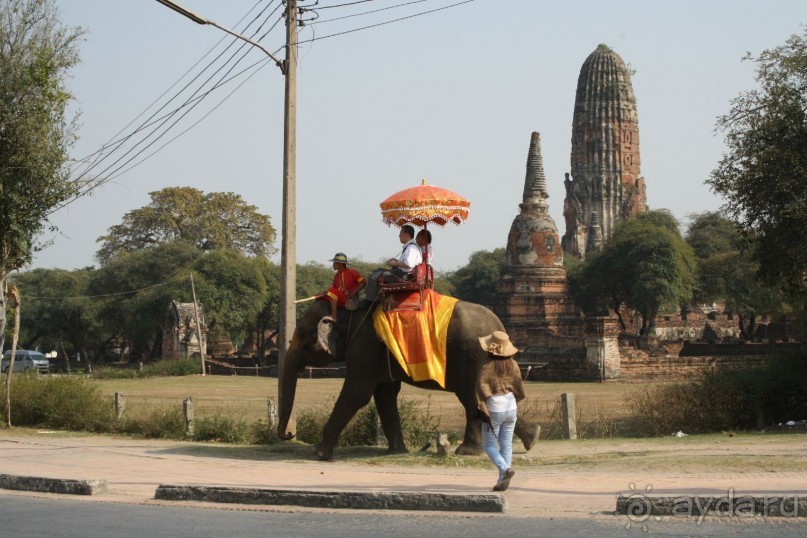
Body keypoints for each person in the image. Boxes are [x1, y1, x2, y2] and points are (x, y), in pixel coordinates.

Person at [476, 330, 525, 492]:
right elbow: (519, 386)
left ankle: (505, 470)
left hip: (495, 409)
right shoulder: (514, 364)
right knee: (506, 445)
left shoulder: (486, 366)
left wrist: (482, 405)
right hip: (511, 407)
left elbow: (481, 388)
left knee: (489, 445)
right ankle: (501, 481)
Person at [364, 225, 423, 300]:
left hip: (405, 277)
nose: (399, 236)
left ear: (407, 235)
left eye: (401, 233)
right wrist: (396, 261)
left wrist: (395, 263)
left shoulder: (411, 248)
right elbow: (407, 263)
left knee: (374, 275)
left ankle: (369, 301)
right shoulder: (412, 247)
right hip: (404, 274)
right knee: (377, 271)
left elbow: (408, 264)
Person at [317, 252, 366, 321]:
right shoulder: (336, 276)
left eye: (334, 262)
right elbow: (334, 291)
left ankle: (334, 316)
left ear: (340, 264)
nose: (333, 264)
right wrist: (325, 293)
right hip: (339, 298)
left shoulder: (352, 272)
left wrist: (354, 293)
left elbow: (363, 283)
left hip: (348, 299)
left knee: (331, 291)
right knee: (318, 296)